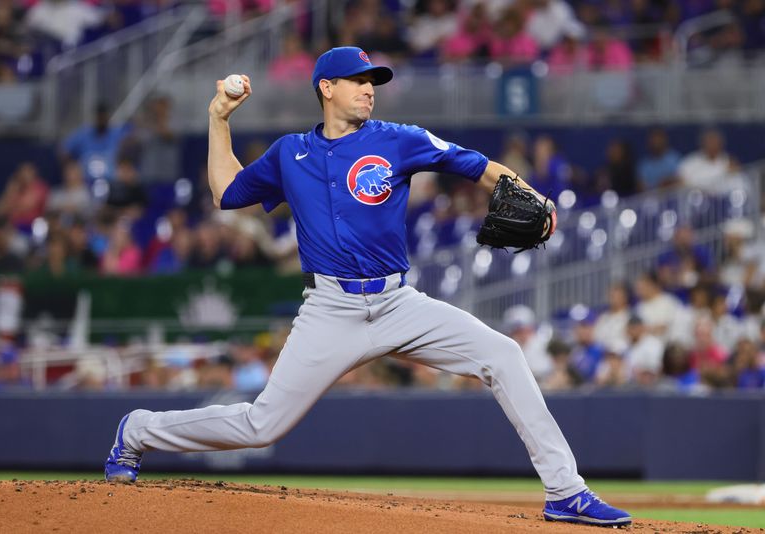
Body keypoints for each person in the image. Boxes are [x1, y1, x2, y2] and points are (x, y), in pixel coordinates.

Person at [103, 46, 630, 527]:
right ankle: (139, 430)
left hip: (398, 302)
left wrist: (531, 195)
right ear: (325, 88)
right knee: (261, 426)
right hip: (329, 309)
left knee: (504, 354)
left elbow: (472, 165)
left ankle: (566, 491)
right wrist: (218, 119)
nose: (369, 88)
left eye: (372, 80)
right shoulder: (291, 153)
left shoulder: (398, 139)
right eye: (356, 79)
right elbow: (226, 192)